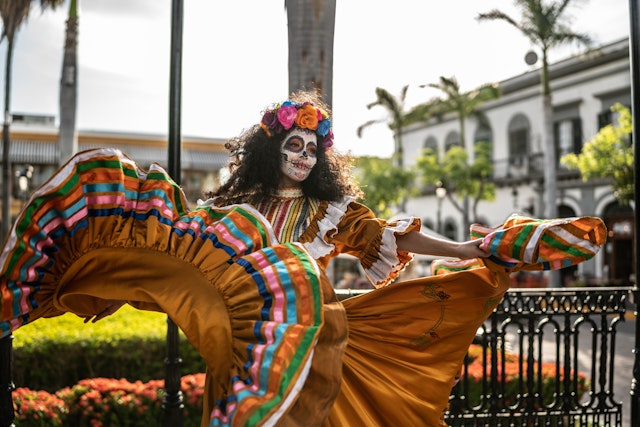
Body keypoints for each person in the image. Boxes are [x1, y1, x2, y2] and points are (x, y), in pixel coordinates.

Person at [0, 90, 606, 427]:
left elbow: (397, 237)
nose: (304, 157)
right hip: (238, 350)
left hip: (319, 344)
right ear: (272, 150)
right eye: (294, 145)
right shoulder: (232, 209)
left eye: (313, 150)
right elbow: (174, 251)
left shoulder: (332, 213)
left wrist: (474, 249)